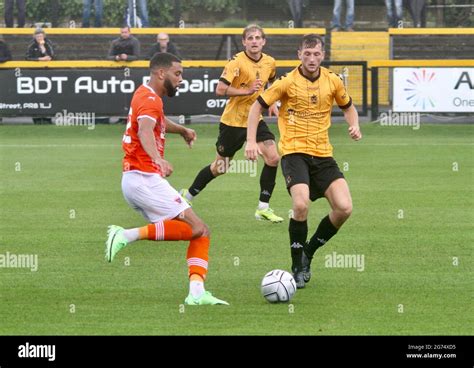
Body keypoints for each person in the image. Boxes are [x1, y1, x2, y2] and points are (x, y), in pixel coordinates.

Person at [105, 52, 228, 306]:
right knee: (198, 228)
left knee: (200, 232)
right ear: (162, 73)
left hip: (136, 180)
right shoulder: (151, 101)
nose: (181, 79)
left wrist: (181, 129)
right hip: (144, 179)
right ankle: (125, 235)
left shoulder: (145, 94)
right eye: (178, 74)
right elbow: (145, 129)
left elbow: (155, 122)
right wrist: (157, 159)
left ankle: (196, 292)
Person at [245, 34, 362, 288]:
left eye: (316, 54)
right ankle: (297, 264)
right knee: (300, 206)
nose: (311, 59)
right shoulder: (287, 82)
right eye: (307, 54)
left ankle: (308, 252)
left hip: (323, 155)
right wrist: (251, 141)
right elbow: (257, 107)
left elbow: (349, 106)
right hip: (294, 153)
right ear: (299, 54)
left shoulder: (332, 81)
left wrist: (354, 125)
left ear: (322, 55)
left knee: (344, 208)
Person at [180, 24, 283, 224]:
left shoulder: (270, 62)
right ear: (244, 42)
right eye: (250, 38)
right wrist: (246, 91)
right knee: (220, 167)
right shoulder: (236, 62)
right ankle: (187, 195)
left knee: (273, 157)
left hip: (255, 119)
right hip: (232, 122)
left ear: (264, 41)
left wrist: (272, 103)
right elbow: (220, 89)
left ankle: (263, 207)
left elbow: (272, 82)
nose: (254, 41)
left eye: (257, 38)